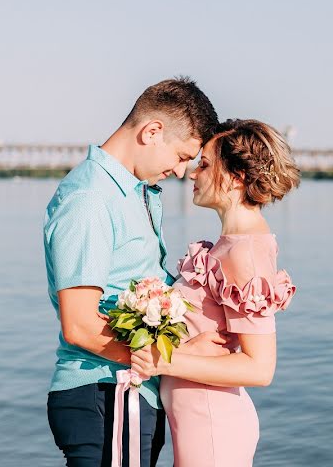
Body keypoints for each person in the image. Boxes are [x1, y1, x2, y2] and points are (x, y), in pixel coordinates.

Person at [44, 77, 228, 467]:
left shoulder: (131, 192)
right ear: (152, 131)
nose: (181, 172)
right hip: (105, 392)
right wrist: (164, 359)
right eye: (181, 156)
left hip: (125, 392)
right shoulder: (91, 200)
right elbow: (79, 325)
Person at [131, 118, 302, 467]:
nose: (192, 174)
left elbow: (260, 368)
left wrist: (164, 360)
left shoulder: (245, 253)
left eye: (205, 165)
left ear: (237, 177)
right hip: (198, 419)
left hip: (212, 426)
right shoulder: (229, 246)